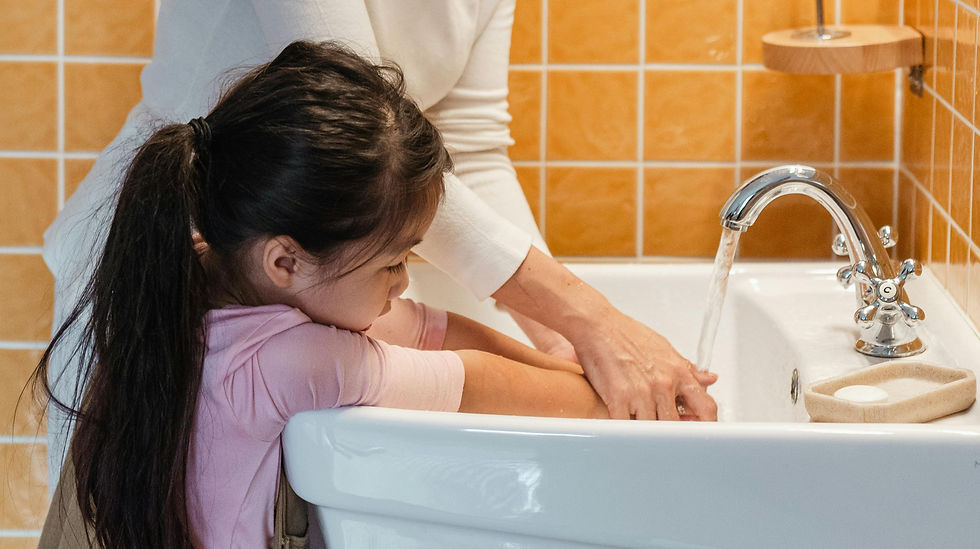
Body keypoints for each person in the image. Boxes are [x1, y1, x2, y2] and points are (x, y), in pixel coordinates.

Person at [42, 1, 717, 484]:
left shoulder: (328, 315)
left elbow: (465, 151)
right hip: (175, 249)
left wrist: (564, 346)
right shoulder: (305, 345)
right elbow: (365, 133)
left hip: (322, 257)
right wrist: (591, 328)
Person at [34, 41, 617, 548]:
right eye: (391, 264)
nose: (402, 282)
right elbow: (474, 381)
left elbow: (431, 330)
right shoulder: (290, 361)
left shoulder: (190, 290)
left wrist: (569, 369)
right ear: (285, 260)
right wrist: (619, 409)